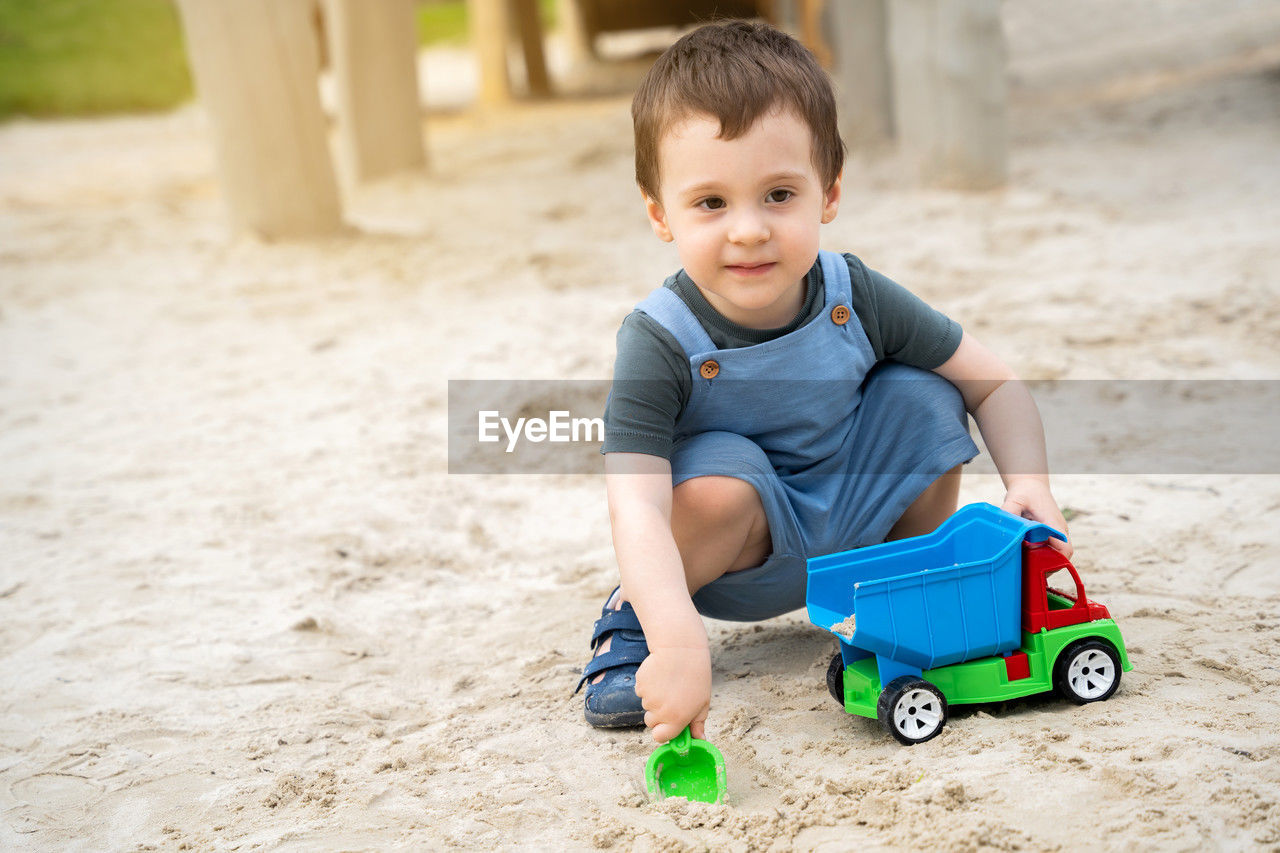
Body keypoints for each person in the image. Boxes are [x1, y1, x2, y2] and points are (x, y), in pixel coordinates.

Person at [574, 20, 1070, 743]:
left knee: (927, 393)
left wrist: (1030, 479)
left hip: (857, 534)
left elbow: (992, 382)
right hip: (732, 558)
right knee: (727, 472)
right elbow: (637, 507)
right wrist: (680, 640)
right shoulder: (659, 338)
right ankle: (630, 620)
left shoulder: (853, 294)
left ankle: (901, 593)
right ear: (660, 214)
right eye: (711, 203)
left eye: (778, 194)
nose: (748, 229)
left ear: (828, 194)